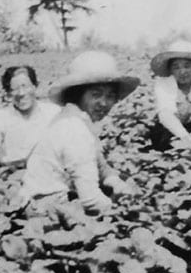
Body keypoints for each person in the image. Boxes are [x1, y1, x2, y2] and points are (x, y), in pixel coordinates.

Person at [18, 51, 139, 215]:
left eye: (110, 96)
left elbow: (101, 166)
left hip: (56, 199)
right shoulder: (73, 127)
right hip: (47, 208)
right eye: (96, 94)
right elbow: (91, 200)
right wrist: (125, 213)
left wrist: (117, 183)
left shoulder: (78, 118)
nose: (104, 103)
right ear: (78, 94)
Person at [0, 66, 60, 181]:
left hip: (46, 173)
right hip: (9, 176)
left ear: (35, 87)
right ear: (8, 94)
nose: (21, 93)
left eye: (25, 86)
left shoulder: (53, 112)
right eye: (15, 89)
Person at [146, 40, 191, 150]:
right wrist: (185, 138)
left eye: (187, 66)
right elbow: (166, 116)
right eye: (176, 67)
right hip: (169, 130)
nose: (182, 71)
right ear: (170, 70)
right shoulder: (163, 85)